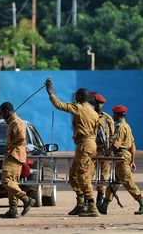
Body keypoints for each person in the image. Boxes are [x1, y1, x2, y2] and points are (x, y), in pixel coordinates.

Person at [45, 78, 100, 217]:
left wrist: (50, 93)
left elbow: (59, 105)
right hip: (88, 144)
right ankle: (81, 203)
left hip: (85, 145)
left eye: (77, 96)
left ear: (80, 97)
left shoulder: (79, 108)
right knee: (73, 175)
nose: (75, 98)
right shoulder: (94, 112)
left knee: (82, 175)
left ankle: (92, 206)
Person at [98, 105, 143, 215]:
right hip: (125, 157)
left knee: (127, 181)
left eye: (114, 114)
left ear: (118, 115)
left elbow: (116, 145)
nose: (112, 116)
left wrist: (105, 152)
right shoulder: (127, 126)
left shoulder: (120, 127)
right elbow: (133, 145)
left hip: (121, 157)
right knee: (114, 183)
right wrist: (132, 161)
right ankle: (104, 205)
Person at [0, 102, 35, 218]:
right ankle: (13, 209)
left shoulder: (16, 122)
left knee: (6, 181)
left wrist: (12, 148)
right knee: (13, 182)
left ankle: (26, 199)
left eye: (2, 112)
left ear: (7, 112)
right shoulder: (11, 122)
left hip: (14, 155)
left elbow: (21, 137)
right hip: (15, 155)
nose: (1, 114)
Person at [93, 93, 114, 208]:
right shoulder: (89, 116)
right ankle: (87, 200)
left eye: (101, 104)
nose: (99, 105)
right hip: (92, 150)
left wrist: (110, 148)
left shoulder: (107, 118)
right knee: (88, 174)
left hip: (104, 150)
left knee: (104, 175)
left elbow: (112, 134)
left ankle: (99, 199)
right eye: (97, 103)